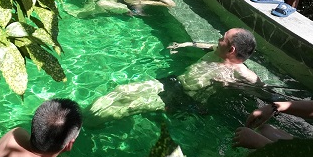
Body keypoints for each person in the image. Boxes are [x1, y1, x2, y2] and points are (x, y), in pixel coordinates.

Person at [86, 28, 260, 125]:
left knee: (129, 106)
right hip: (172, 82)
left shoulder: (241, 72)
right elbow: (206, 45)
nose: (218, 40)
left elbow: (262, 89)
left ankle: (84, 127)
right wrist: (186, 44)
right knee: (122, 90)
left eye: (222, 38)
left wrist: (273, 103)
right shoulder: (217, 51)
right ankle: (81, 116)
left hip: (182, 100)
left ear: (231, 50)